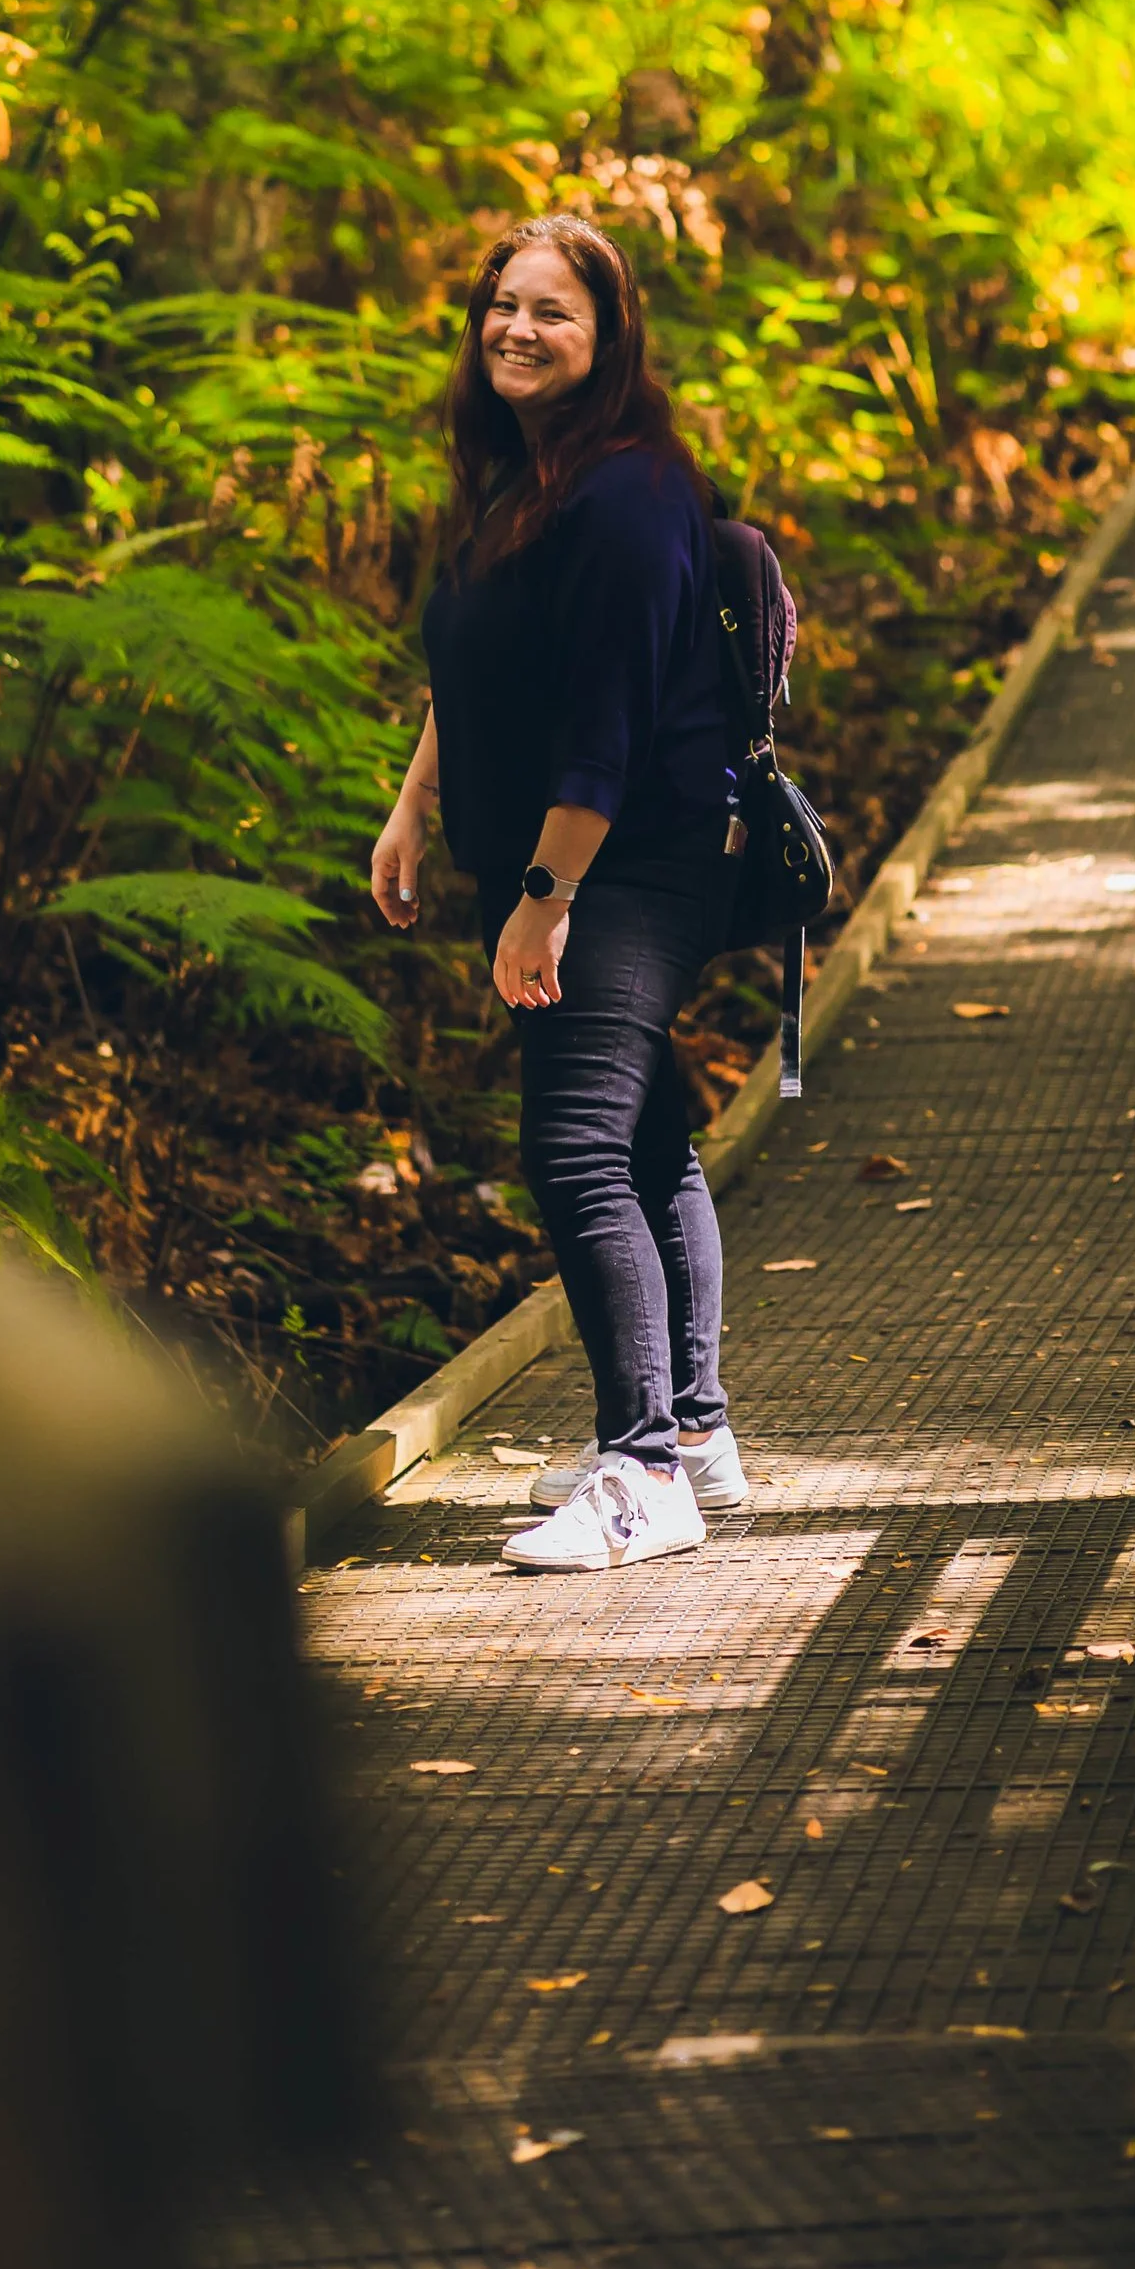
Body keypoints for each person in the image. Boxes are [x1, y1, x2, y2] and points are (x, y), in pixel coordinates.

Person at [369, 215, 749, 1572]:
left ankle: (640, 1465)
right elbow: (476, 674)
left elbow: (610, 721)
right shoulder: (526, 482)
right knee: (643, 1140)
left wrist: (547, 891)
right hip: (562, 860)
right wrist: (415, 803)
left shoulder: (632, 493)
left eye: (554, 311)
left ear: (610, 339)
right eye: (501, 305)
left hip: (627, 860)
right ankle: (693, 1435)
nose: (518, 328)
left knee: (577, 1147)